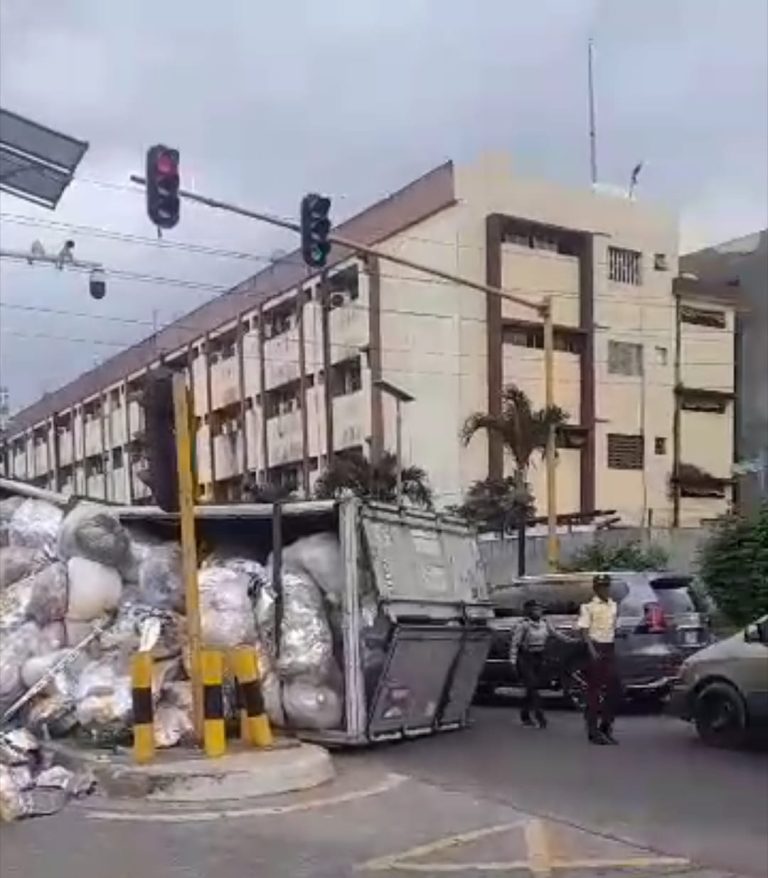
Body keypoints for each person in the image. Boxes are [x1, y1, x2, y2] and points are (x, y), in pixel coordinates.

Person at [510, 599, 566, 729]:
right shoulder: (523, 625)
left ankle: (525, 714)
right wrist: (512, 662)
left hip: (539, 656)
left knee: (532, 688)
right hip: (525, 657)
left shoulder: (545, 623)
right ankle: (540, 716)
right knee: (532, 687)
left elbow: (557, 634)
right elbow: (515, 644)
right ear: (528, 611)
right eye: (535, 609)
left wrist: (573, 640)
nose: (538, 612)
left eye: (539, 609)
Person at [578, 573, 620, 745]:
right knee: (594, 691)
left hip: (609, 647)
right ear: (595, 589)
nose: (605, 589)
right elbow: (584, 631)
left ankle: (606, 725)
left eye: (607, 586)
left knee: (615, 688)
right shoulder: (588, 607)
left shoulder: (613, 605)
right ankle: (593, 731)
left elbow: (614, 627)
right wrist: (592, 650)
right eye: (601, 587)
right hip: (595, 647)